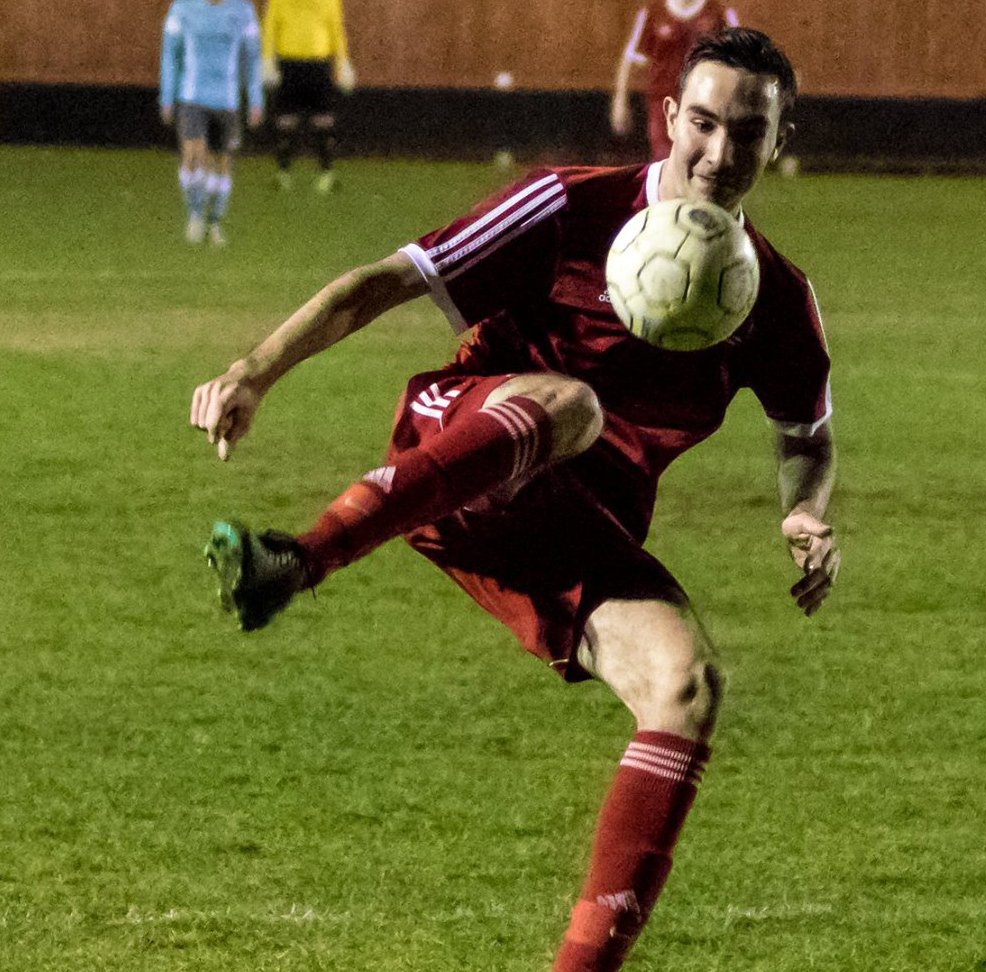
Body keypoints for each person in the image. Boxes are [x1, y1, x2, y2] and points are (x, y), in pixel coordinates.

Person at [190, 27, 839, 972]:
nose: (717, 151)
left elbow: (805, 434)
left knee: (687, 686)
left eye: (747, 132)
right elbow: (387, 283)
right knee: (572, 407)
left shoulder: (775, 298)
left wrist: (804, 511)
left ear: (778, 142)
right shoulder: (571, 206)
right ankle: (297, 560)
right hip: (461, 442)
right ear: (668, 117)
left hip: (568, 526)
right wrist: (256, 370)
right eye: (702, 122)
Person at [159, 0, 264, 246]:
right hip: (191, 97)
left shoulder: (243, 10)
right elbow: (170, 53)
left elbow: (252, 56)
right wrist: (167, 97)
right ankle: (194, 214)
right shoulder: (182, 8)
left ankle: (214, 221)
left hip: (227, 101)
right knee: (193, 155)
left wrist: (255, 99)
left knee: (221, 164)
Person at [611, 0, 739, 160]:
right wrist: (619, 102)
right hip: (662, 103)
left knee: (700, 160)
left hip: (705, 103)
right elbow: (630, 59)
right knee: (664, 159)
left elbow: (742, 58)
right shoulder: (653, 13)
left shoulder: (718, 12)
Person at [261, 0, 354, 193]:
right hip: (289, 64)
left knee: (323, 120)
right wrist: (267, 60)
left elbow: (336, 31)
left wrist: (342, 62)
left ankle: (326, 174)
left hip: (319, 65)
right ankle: (283, 174)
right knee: (286, 120)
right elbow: (270, 29)